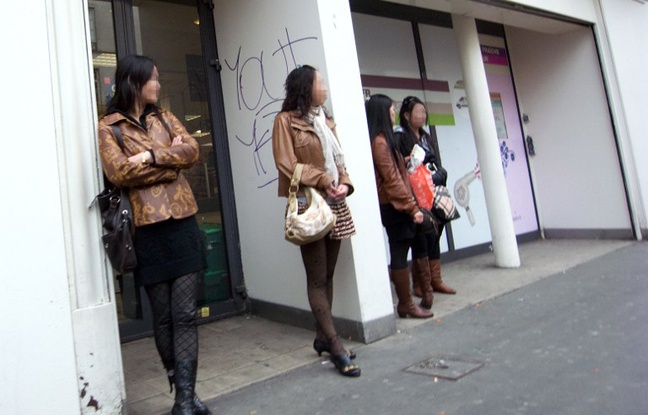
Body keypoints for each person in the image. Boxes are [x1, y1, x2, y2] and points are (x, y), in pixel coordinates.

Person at [97, 55, 211, 415]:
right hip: (146, 230)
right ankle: (185, 395)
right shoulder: (108, 127)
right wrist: (168, 162)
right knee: (162, 318)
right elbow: (118, 174)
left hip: (182, 223)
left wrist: (148, 157)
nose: (158, 85)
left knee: (186, 314)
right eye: (154, 80)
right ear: (134, 81)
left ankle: (184, 399)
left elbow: (192, 151)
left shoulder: (164, 116)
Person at [272, 65, 360, 377]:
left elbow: (340, 161)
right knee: (317, 278)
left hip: (335, 202)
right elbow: (286, 163)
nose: (324, 84)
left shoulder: (326, 119)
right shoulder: (285, 121)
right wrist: (323, 180)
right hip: (311, 203)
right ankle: (335, 345)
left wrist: (345, 184)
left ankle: (323, 337)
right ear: (305, 87)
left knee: (329, 274)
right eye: (319, 80)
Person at [365, 94, 434, 319]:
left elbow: (393, 175)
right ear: (382, 113)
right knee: (399, 251)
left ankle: (423, 296)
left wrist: (404, 162)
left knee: (412, 243)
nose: (393, 114)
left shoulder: (384, 140)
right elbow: (392, 181)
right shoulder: (380, 143)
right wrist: (412, 207)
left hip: (398, 204)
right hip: (394, 206)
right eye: (391, 110)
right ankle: (406, 304)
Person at [395, 96, 457, 296]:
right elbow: (407, 168)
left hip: (434, 192)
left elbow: (434, 162)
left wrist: (438, 173)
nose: (422, 115)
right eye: (418, 111)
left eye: (424, 111)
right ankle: (421, 283)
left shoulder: (426, 136)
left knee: (436, 233)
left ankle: (435, 280)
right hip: (417, 195)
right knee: (423, 236)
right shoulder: (402, 137)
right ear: (406, 115)